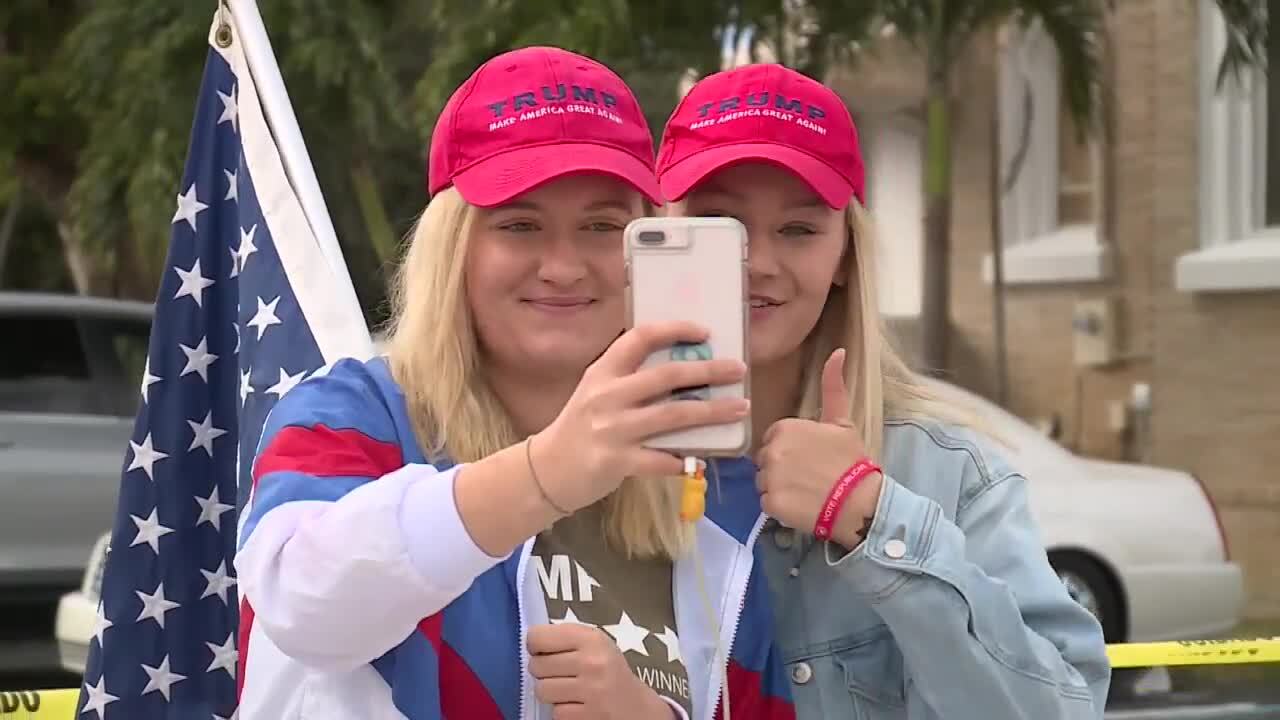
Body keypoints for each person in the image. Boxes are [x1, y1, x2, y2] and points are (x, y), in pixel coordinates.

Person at [235, 47, 789, 720]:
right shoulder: (356, 411)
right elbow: (301, 606)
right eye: (519, 225)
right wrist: (544, 474)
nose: (561, 266)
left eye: (600, 226)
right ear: (456, 247)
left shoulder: (702, 466)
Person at [654, 63, 1113, 719]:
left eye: (799, 229)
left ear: (845, 255)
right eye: (722, 222)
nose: (756, 261)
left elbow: (1062, 708)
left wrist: (871, 519)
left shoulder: (948, 473)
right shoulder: (589, 462)